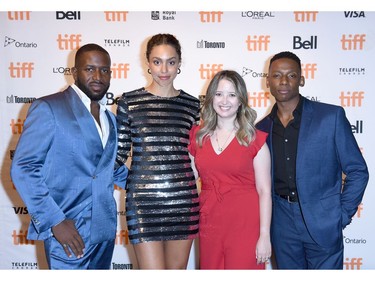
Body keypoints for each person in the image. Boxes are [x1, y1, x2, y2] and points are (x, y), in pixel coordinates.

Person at [10, 43, 128, 269]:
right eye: (89, 69)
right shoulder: (49, 107)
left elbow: (109, 168)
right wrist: (55, 221)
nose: (98, 76)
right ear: (74, 73)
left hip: (104, 230)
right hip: (67, 230)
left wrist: (149, 185)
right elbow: (23, 168)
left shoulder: (110, 119)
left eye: (104, 70)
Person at [256, 51, 369, 269]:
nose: (283, 81)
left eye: (291, 75)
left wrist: (341, 215)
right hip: (281, 224)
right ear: (267, 81)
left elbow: (357, 170)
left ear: (302, 79)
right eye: (277, 75)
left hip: (323, 220)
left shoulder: (330, 117)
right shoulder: (261, 130)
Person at [116, 33, 200, 269]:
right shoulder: (129, 102)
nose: (164, 69)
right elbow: (118, 155)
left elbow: (203, 156)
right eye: (157, 61)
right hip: (142, 203)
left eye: (171, 62)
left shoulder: (193, 106)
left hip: (184, 202)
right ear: (148, 63)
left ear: (179, 64)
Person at [188, 70, 272, 269]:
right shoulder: (197, 137)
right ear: (211, 98)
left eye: (232, 95)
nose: (224, 100)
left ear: (241, 99)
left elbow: (265, 191)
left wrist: (264, 236)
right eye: (219, 94)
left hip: (246, 225)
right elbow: (190, 183)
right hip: (210, 225)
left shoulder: (255, 140)